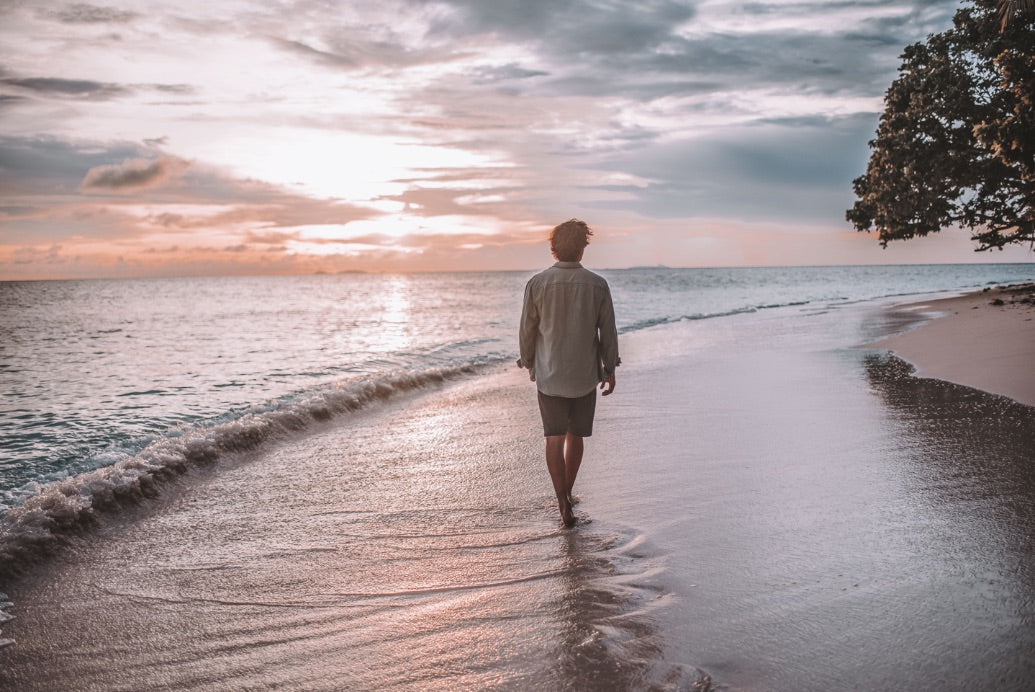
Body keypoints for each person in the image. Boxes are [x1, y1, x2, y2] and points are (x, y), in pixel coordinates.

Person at [518, 219, 620, 527]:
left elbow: (527, 330)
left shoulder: (537, 283)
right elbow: (608, 332)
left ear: (554, 248)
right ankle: (568, 493)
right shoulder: (597, 284)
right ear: (583, 248)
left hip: (550, 374)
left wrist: (529, 362)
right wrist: (609, 367)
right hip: (584, 376)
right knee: (576, 435)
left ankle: (561, 499)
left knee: (553, 436)